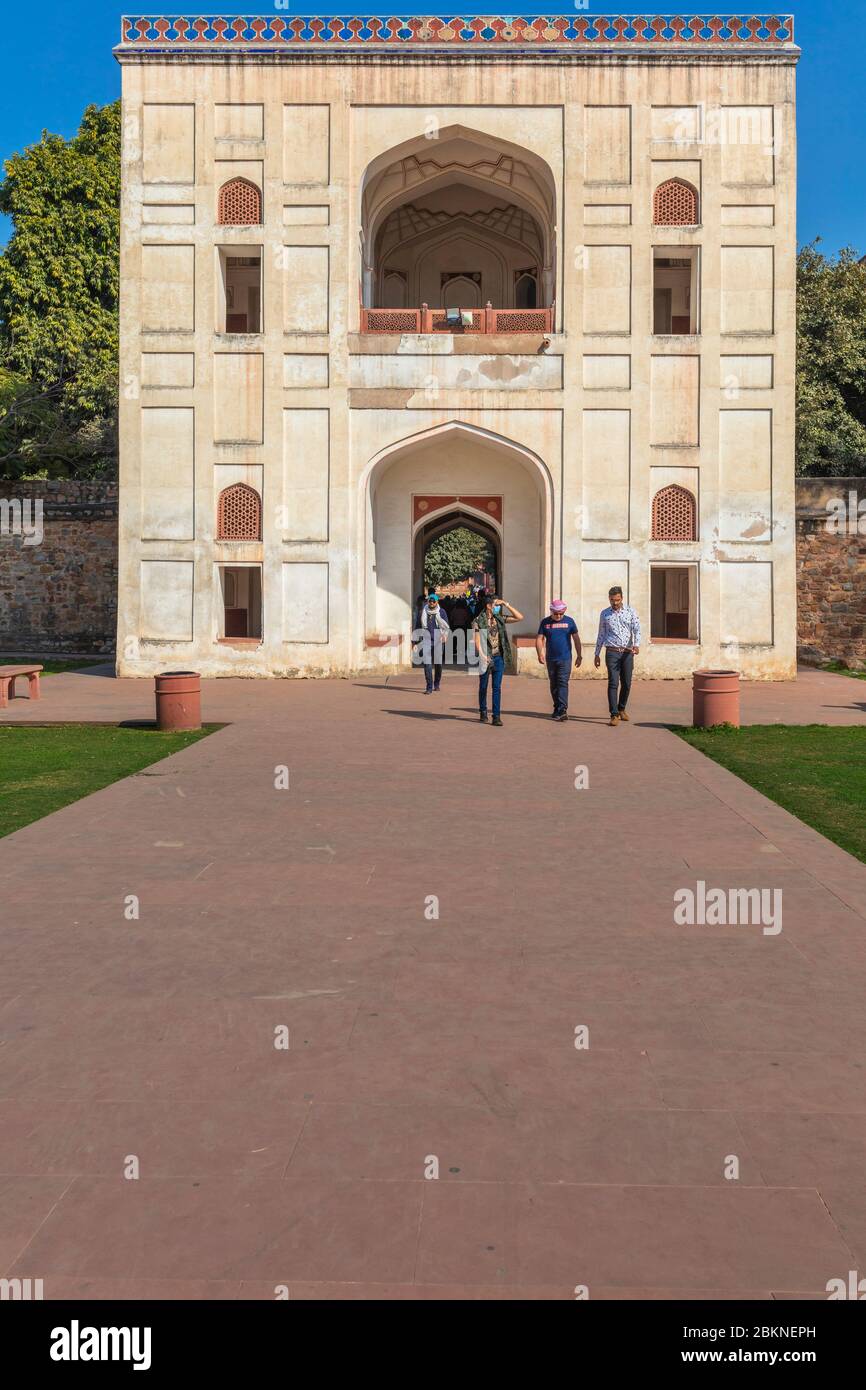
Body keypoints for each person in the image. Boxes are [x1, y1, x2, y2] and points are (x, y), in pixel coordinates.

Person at [472, 592, 523, 725]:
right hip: (485, 658)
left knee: (496, 687)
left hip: (498, 657)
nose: (497, 607)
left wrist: (506, 605)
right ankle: (483, 711)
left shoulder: (499, 619)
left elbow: (519, 617)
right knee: (483, 686)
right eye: (495, 605)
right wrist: (483, 656)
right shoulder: (477, 621)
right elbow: (477, 642)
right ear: (488, 606)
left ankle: (496, 716)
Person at [594, 586, 641, 726]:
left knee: (626, 683)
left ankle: (621, 708)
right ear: (609, 599)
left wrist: (636, 645)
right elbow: (601, 633)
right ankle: (613, 714)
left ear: (622, 598)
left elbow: (637, 629)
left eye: (617, 600)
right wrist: (596, 654)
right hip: (612, 651)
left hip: (627, 652)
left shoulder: (630, 611)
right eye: (612, 600)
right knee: (613, 682)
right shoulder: (605, 614)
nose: (615, 603)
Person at [536, 600, 582, 721]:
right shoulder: (545, 623)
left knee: (562, 682)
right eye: (556, 614)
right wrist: (539, 653)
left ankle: (562, 709)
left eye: (561, 614)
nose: (558, 616)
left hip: (565, 659)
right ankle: (557, 707)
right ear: (551, 611)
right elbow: (540, 639)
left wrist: (579, 655)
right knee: (554, 684)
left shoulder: (569, 622)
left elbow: (576, 638)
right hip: (551, 659)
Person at [419, 592, 450, 694]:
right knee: (427, 664)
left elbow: (446, 626)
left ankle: (436, 683)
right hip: (427, 640)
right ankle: (429, 687)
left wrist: (445, 635)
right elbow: (418, 625)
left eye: (433, 601)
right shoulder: (424, 611)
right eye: (430, 601)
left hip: (438, 640)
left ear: (437, 602)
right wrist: (415, 642)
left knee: (438, 664)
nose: (431, 603)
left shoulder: (442, 612)